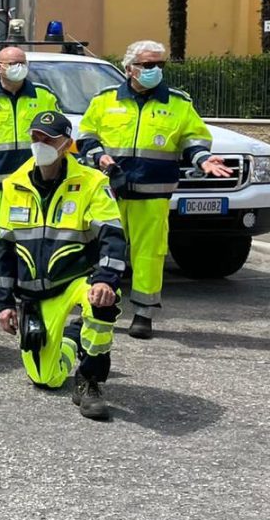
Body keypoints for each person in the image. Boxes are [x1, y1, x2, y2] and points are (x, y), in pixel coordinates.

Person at [76, 40, 230, 340]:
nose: (155, 70)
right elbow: (86, 137)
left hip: (153, 194)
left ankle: (143, 314)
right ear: (129, 68)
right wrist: (99, 157)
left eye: (160, 64)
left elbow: (193, 140)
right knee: (101, 250)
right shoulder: (105, 100)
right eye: (148, 65)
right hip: (110, 193)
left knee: (149, 256)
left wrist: (203, 159)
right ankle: (97, 306)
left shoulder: (178, 103)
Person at [0, 111, 126, 420]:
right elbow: (3, 249)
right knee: (46, 378)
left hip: (77, 280)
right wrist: (4, 303)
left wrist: (105, 279)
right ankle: (72, 337)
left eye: (48, 139)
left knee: (103, 302)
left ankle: (89, 380)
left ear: (66, 144)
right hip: (36, 294)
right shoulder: (14, 184)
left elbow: (112, 235)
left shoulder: (92, 182)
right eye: (35, 137)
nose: (40, 144)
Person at [0, 45, 61, 307]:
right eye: (13, 63)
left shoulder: (44, 96)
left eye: (22, 62)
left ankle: (31, 287)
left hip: (34, 185)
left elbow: (56, 134)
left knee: (33, 235)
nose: (19, 67)